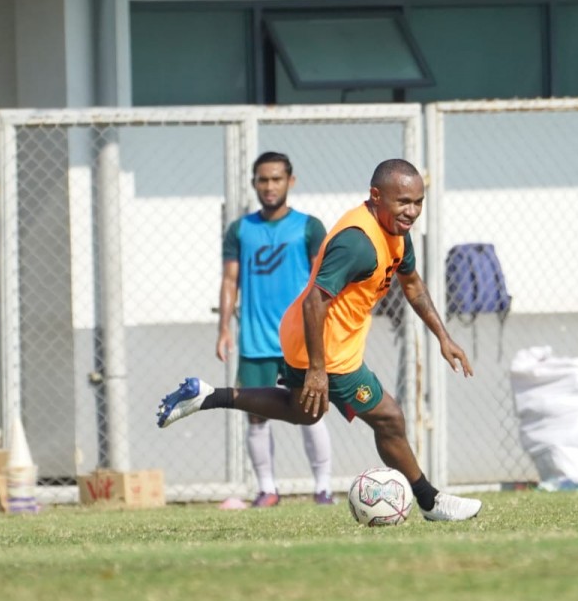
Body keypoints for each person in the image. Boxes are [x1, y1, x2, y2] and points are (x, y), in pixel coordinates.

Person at [159, 158, 483, 522]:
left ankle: (207, 396)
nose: (412, 211)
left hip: (308, 334)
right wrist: (318, 368)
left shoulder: (396, 231)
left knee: (305, 412)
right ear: (376, 196)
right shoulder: (358, 243)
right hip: (325, 346)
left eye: (418, 202)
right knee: (389, 418)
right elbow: (316, 298)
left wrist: (444, 336)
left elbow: (413, 284)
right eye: (403, 202)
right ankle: (430, 500)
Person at [217, 151, 336, 507]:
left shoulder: (309, 227)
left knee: (310, 411)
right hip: (255, 341)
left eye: (276, 179)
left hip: (299, 340)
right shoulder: (240, 229)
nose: (269, 186)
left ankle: (323, 489)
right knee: (255, 416)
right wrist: (223, 328)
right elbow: (229, 280)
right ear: (254, 183)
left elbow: (325, 280)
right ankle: (267, 489)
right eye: (263, 180)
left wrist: (328, 327)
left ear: (291, 181)